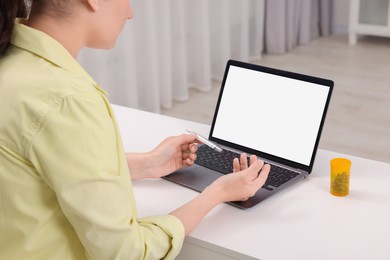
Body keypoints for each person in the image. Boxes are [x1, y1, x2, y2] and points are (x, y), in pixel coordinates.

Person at [0, 0, 270, 259]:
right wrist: (218, 193)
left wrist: (148, 164)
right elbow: (128, 253)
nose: (130, 13)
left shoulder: (12, 62)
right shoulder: (67, 100)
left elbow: (36, 169)